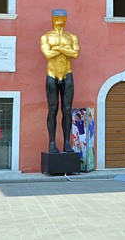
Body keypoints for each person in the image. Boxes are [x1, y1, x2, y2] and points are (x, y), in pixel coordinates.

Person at [40, 9, 80, 153]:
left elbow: (75, 54)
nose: (59, 20)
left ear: (66, 19)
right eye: (56, 17)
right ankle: (52, 143)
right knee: (53, 109)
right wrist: (64, 49)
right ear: (52, 18)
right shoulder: (46, 36)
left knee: (67, 109)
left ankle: (67, 144)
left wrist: (57, 47)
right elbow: (47, 53)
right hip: (52, 74)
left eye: (62, 17)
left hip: (67, 73)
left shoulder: (72, 37)